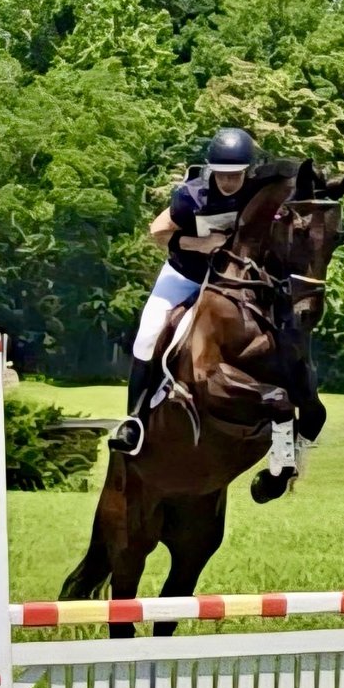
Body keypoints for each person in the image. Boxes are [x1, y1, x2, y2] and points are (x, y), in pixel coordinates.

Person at [109, 127, 270, 455]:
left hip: (231, 282)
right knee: (148, 333)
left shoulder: (257, 194)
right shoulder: (192, 195)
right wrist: (201, 243)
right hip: (185, 275)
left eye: (235, 175)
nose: (228, 182)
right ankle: (134, 420)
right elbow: (158, 231)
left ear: (247, 171)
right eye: (222, 175)